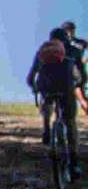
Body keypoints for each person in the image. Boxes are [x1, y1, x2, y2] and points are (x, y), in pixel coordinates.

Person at [28, 28, 82, 177]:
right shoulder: (73, 51)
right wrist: (77, 83)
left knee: (47, 100)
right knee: (70, 122)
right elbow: (82, 76)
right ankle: (74, 163)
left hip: (46, 88)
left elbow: (30, 77)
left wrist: (34, 88)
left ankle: (46, 128)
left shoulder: (42, 52)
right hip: (66, 89)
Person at [60, 21, 88, 119]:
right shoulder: (82, 42)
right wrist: (84, 60)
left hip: (73, 71)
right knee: (81, 94)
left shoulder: (62, 44)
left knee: (79, 94)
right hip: (80, 71)